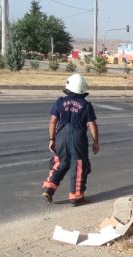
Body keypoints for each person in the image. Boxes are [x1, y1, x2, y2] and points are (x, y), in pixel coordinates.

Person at [41, 73, 100, 205]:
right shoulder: (86, 105)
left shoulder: (60, 102)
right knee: (78, 166)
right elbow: (92, 124)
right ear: (83, 89)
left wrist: (52, 139)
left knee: (61, 163)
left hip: (61, 137)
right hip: (78, 139)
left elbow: (52, 122)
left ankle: (49, 188)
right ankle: (76, 196)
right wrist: (95, 142)